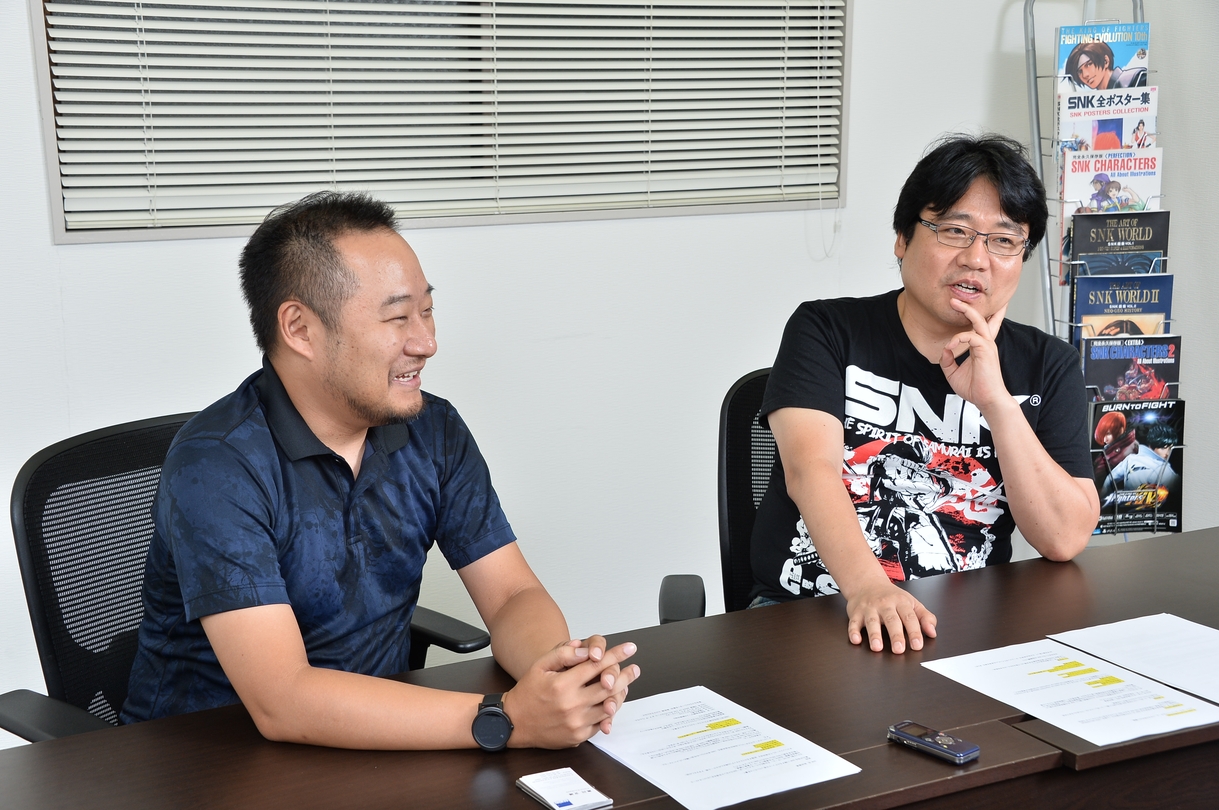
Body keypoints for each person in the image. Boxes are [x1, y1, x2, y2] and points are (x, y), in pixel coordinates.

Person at [121, 192, 640, 750]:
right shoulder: (217, 465)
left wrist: (557, 673)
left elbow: (512, 593)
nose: (427, 343)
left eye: (427, 310)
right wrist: (507, 718)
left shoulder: (432, 429)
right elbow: (283, 699)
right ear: (300, 329)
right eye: (397, 317)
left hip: (378, 743)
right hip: (206, 763)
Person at [748, 134, 1099, 655]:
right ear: (902, 238)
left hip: (964, 629)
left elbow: (1064, 538)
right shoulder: (827, 330)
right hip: (811, 614)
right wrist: (870, 588)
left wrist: (997, 403)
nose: (977, 259)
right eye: (955, 231)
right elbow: (809, 472)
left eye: (1004, 241)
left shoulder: (1049, 365)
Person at [1064, 40, 1147, 90]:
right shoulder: (1093, 102)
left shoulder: (1135, 79)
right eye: (1080, 71)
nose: (1085, 75)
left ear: (1105, 61)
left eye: (1089, 64)